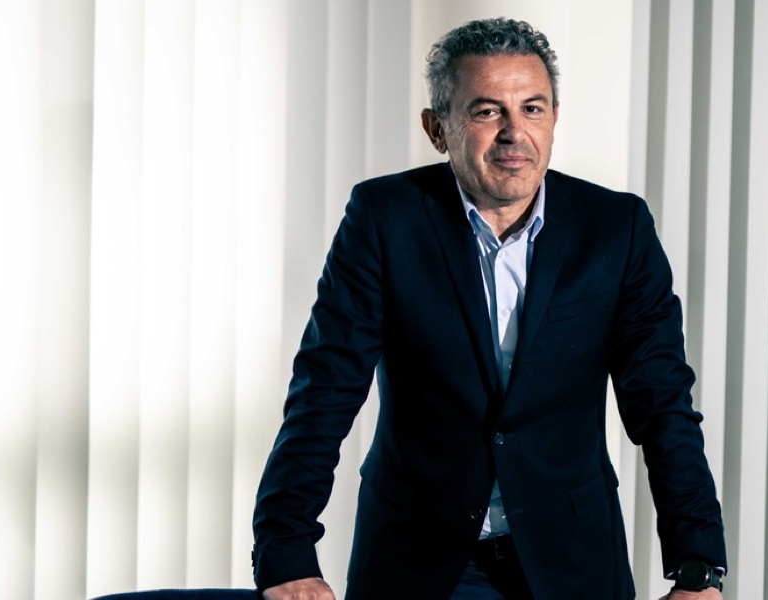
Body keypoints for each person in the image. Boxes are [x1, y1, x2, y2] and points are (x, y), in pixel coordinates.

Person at [252, 17, 726, 600]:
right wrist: (286, 554)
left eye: (532, 109)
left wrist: (698, 565)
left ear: (554, 118)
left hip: (572, 561)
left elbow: (663, 404)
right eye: (486, 111)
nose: (513, 133)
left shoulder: (616, 229)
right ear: (437, 129)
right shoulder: (384, 219)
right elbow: (324, 393)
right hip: (419, 560)